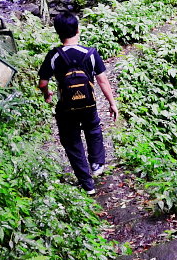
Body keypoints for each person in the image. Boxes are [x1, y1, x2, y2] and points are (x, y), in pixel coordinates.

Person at [38, 12, 118, 195]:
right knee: (93, 129)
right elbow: (103, 81)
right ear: (78, 30)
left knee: (72, 142)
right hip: (88, 104)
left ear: (58, 33)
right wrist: (112, 103)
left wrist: (47, 94)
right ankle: (97, 163)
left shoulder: (54, 55)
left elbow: (43, 83)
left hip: (66, 107)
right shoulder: (90, 53)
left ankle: (87, 184)